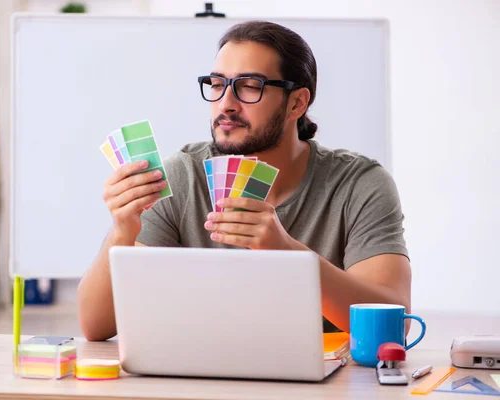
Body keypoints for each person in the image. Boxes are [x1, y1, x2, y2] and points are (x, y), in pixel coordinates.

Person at [78, 21, 411, 341]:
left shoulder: (360, 184)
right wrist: (122, 229)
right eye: (218, 84)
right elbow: (96, 326)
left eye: (250, 86)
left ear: (297, 102)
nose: (226, 104)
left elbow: (392, 327)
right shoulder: (181, 176)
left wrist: (288, 253)